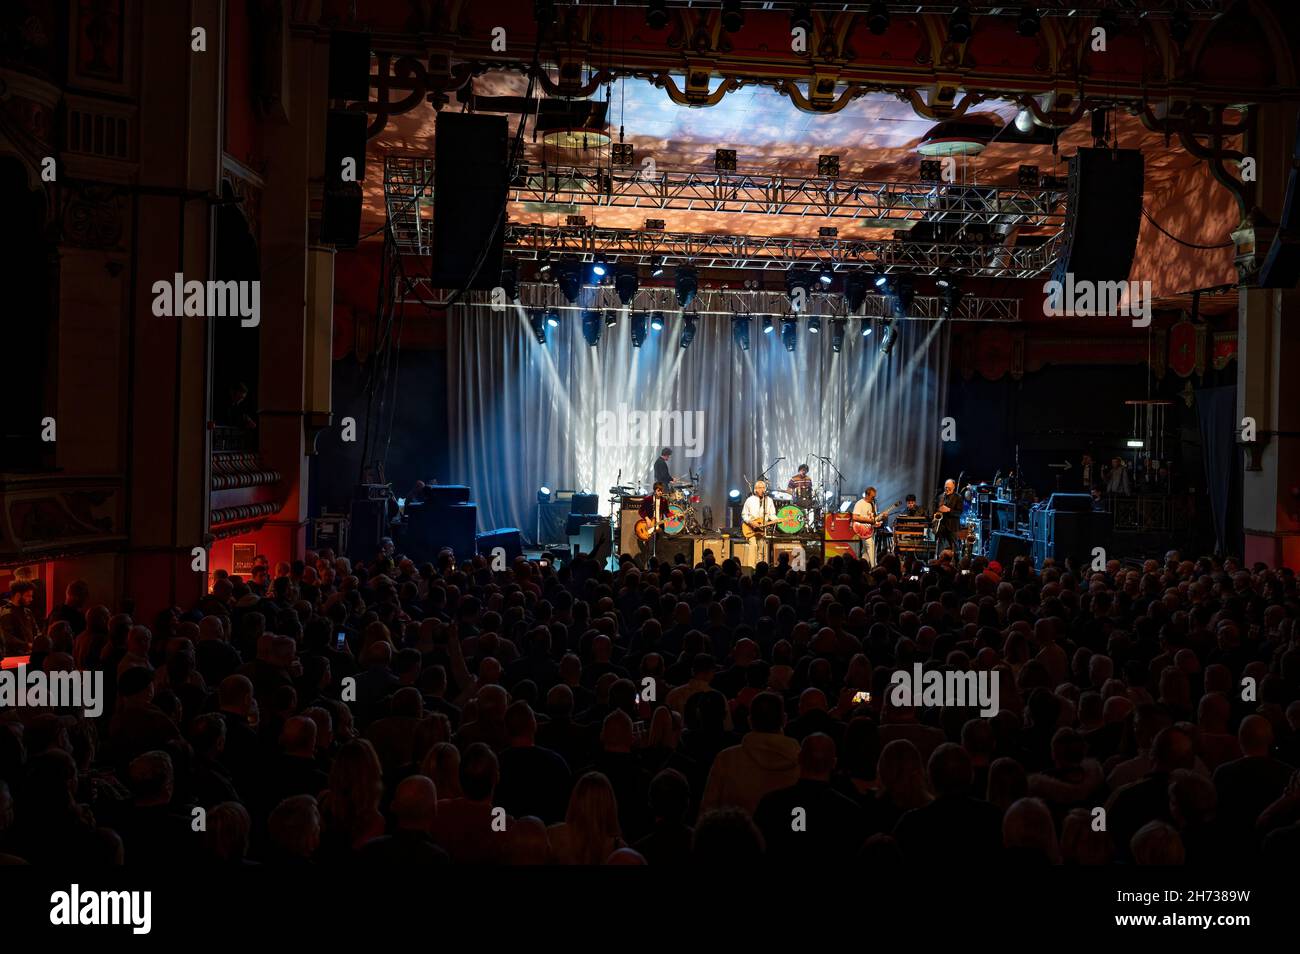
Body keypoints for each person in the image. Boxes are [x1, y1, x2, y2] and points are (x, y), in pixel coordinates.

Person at [740, 480, 777, 568]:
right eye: (760, 488)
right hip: (750, 528)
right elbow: (744, 514)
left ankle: (760, 568)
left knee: (762, 548)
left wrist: (777, 520)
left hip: (762, 529)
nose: (762, 489)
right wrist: (751, 522)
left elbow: (772, 514)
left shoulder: (769, 500)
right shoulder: (750, 500)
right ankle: (751, 568)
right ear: (755, 489)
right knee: (753, 546)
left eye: (764, 488)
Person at [635, 483, 670, 566]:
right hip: (649, 526)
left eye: (661, 491)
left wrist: (676, 517)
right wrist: (647, 519)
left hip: (659, 525)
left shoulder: (664, 500)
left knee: (659, 547)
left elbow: (667, 512)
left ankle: (658, 566)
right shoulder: (648, 499)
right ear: (654, 490)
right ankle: (648, 565)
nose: (660, 492)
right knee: (650, 548)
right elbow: (641, 511)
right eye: (658, 490)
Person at [851, 486, 880, 567]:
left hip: (869, 530)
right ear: (867, 495)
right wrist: (869, 521)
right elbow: (855, 517)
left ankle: (863, 568)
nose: (874, 498)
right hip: (862, 529)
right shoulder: (859, 503)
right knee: (871, 546)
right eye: (872, 497)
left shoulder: (873, 504)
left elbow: (873, 518)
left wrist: (878, 521)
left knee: (865, 551)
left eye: (874, 497)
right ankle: (874, 567)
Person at [934, 478, 962, 559]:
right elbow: (936, 509)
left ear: (954, 487)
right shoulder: (940, 497)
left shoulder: (958, 497)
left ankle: (956, 563)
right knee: (941, 546)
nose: (947, 489)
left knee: (955, 547)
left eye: (949, 487)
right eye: (946, 487)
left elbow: (959, 512)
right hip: (941, 526)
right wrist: (937, 511)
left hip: (952, 526)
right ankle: (940, 561)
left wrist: (948, 510)